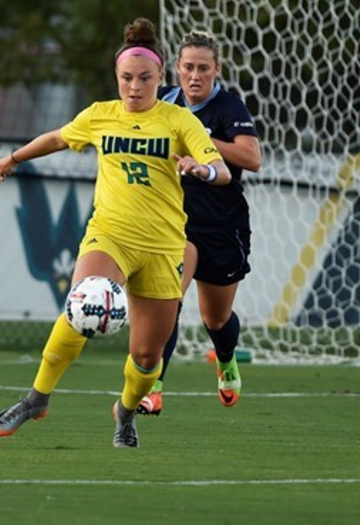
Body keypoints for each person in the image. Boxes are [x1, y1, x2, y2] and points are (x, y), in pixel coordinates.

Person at [0, 18, 231, 448]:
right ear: (116, 77)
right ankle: (35, 399)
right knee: (82, 303)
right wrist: (14, 158)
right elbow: (57, 138)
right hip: (110, 234)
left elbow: (223, 170)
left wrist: (203, 168)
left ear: (161, 78)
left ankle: (125, 412)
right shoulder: (100, 115)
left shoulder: (178, 121)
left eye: (144, 78)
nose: (134, 87)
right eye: (126, 78)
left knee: (146, 356)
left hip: (161, 247)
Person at [137, 31, 261, 417]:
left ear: (216, 70)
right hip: (177, 225)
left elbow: (251, 158)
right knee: (169, 301)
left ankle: (226, 361)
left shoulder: (227, 107)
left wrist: (201, 139)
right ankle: (153, 388)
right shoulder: (164, 104)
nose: (195, 75)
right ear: (176, 69)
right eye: (188, 67)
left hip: (223, 225)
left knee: (216, 317)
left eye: (203, 68)